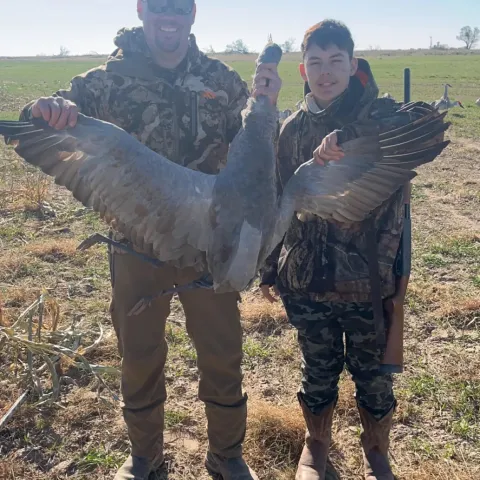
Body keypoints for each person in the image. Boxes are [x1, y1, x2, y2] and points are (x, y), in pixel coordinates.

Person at [19, 1, 281, 479]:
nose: (170, 15)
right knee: (139, 357)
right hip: (135, 246)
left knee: (223, 355)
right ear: (141, 9)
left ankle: (227, 457)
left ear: (193, 13)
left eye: (180, 6)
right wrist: (48, 110)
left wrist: (267, 105)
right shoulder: (102, 82)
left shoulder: (222, 81)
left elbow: (256, 157)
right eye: (159, 4)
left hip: (208, 249)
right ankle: (145, 460)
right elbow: (37, 125)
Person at [260, 20, 410, 480]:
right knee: (317, 368)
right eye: (316, 63)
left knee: (373, 376)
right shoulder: (290, 131)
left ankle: (376, 451)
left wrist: (351, 140)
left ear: (352, 63)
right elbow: (276, 200)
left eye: (336, 61)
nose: (326, 73)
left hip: (367, 279)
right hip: (307, 277)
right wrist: (270, 268)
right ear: (303, 70)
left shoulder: (381, 117)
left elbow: (422, 120)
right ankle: (316, 444)